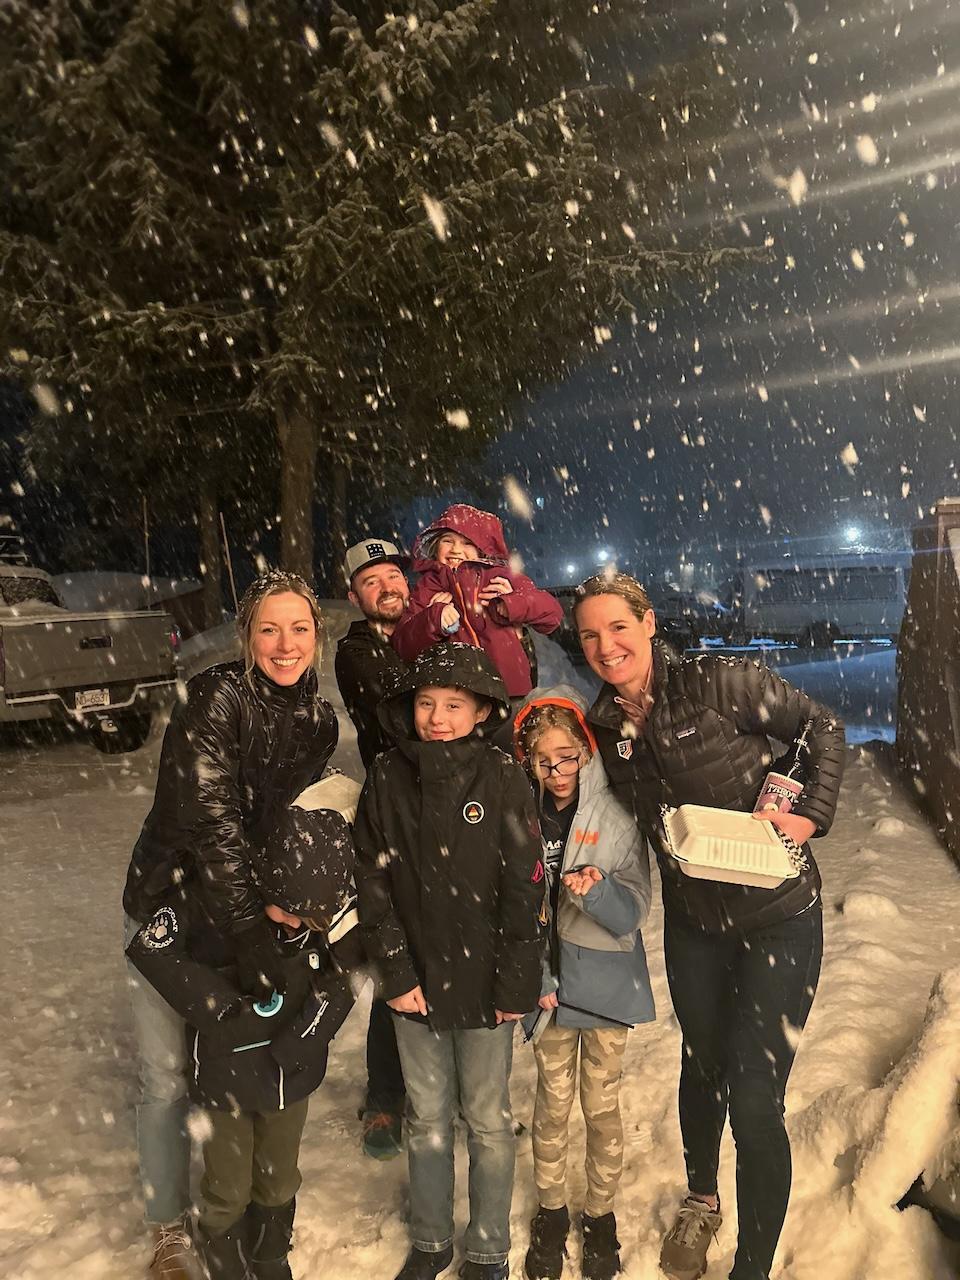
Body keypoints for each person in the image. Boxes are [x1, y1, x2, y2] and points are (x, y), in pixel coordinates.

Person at [572, 573, 845, 1280]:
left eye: (619, 628)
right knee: (703, 1065)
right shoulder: (603, 726)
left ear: (649, 623)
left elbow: (822, 725)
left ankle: (751, 1267)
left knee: (755, 1099)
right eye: (590, 635)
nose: (607, 646)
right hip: (696, 924)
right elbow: (602, 813)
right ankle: (701, 1200)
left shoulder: (719, 681)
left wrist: (810, 811)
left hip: (779, 914)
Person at [122, 570, 338, 1279]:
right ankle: (168, 1228)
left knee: (235, 1061)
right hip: (176, 904)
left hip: (247, 912)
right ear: (247, 636)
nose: (285, 644)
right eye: (269, 628)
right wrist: (249, 932)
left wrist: (291, 905)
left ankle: (246, 1216)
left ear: (318, 635)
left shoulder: (318, 721)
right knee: (165, 1073)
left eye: (299, 628)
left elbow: (289, 829)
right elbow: (211, 820)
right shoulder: (218, 697)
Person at [353, 643, 545, 1280]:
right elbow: (371, 883)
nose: (437, 717)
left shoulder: (502, 775)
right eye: (426, 703)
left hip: (488, 979)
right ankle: (431, 1240)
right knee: (428, 1114)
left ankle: (488, 1247)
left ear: (483, 709)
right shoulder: (386, 776)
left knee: (488, 1119)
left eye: (454, 705)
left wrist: (517, 977)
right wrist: (397, 974)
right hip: (415, 987)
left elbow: (525, 884)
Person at [127, 804, 363, 1280]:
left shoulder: (323, 907)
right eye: (290, 913)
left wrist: (303, 1040)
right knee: (228, 1187)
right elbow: (149, 947)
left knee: (278, 1177)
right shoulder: (213, 899)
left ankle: (270, 1255)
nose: (297, 925)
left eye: (309, 920)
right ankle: (225, 1261)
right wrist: (221, 1006)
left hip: (288, 1074)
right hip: (227, 1074)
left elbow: (345, 976)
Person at [514, 688, 655, 1280]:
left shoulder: (617, 815)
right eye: (545, 760)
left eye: (569, 756)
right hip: (547, 990)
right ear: (528, 761)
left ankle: (599, 1215)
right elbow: (510, 907)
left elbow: (632, 914)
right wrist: (531, 974)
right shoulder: (517, 815)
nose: (559, 771)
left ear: (587, 752)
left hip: (603, 987)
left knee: (600, 1108)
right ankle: (550, 1212)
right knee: (551, 1106)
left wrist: (596, 888)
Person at [334, 536, 411, 1159]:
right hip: (391, 817)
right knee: (396, 954)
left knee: (459, 946)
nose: (388, 587)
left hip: (458, 814)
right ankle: (385, 1099)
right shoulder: (356, 652)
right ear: (355, 594)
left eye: (394, 575)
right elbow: (403, 715)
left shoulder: (430, 633)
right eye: (373, 581)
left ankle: (457, 1094)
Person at [389, 505, 563, 733]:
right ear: (435, 545)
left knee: (513, 757)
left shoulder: (502, 576)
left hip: (510, 693)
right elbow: (403, 645)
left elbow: (552, 616)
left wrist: (511, 602)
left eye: (467, 542)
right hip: (458, 699)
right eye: (447, 541)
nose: (456, 550)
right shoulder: (427, 587)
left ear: (483, 549)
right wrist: (432, 619)